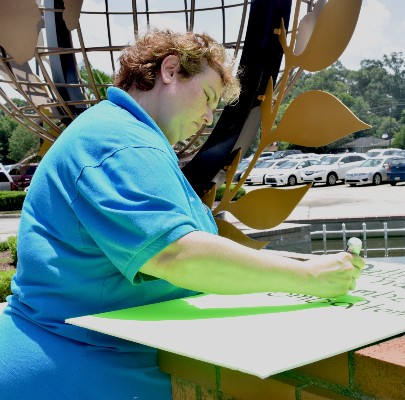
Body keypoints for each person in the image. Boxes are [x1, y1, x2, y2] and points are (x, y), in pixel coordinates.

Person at [0, 29, 363, 399]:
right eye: (207, 97)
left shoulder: (123, 134)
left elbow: (190, 251)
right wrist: (308, 277)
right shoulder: (119, 142)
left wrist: (299, 262)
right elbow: (177, 255)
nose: (207, 117)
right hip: (79, 370)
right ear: (170, 70)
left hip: (93, 362)